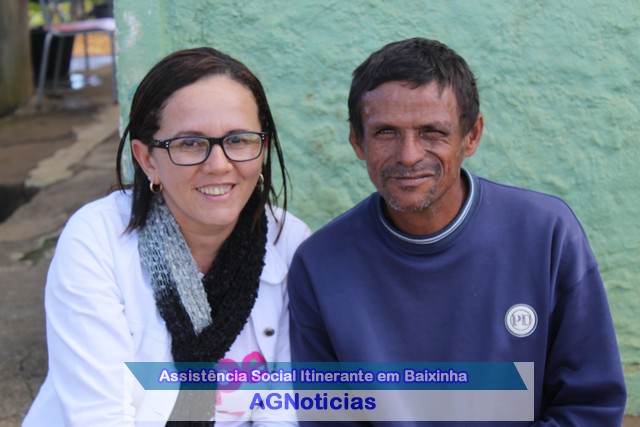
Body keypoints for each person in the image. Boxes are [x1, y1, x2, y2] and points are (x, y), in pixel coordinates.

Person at [288, 38, 626, 425]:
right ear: (356, 140)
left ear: (472, 135)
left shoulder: (547, 234)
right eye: (386, 132)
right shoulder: (320, 264)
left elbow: (590, 408)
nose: (409, 155)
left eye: (432, 132)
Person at [23, 47, 310, 426]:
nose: (219, 165)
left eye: (239, 140)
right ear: (147, 159)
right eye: (190, 143)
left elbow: (284, 409)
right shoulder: (96, 239)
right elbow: (100, 417)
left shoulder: (289, 242)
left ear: (263, 147)